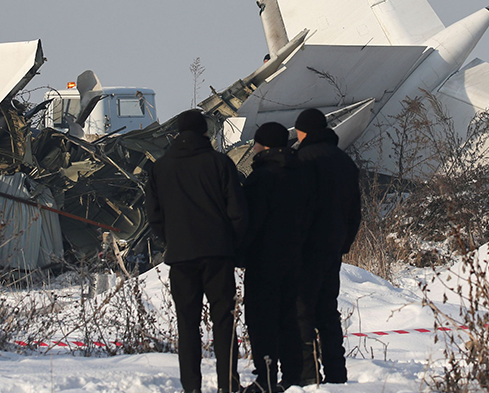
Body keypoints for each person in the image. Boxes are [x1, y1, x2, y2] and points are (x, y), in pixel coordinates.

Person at [145, 109, 248, 393]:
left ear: (178, 132)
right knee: (224, 320)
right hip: (217, 255)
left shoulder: (161, 167)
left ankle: (191, 387)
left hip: (180, 257)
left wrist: (172, 239)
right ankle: (228, 385)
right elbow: (237, 212)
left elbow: (153, 215)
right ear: (204, 131)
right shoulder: (220, 163)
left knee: (187, 325)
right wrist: (234, 247)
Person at [292, 108, 361, 385]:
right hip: (332, 249)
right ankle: (337, 373)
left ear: (303, 131)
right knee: (328, 312)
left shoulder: (301, 161)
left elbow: (297, 209)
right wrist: (343, 243)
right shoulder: (345, 163)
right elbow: (354, 211)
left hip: (306, 249)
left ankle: (308, 375)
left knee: (302, 311)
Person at [240, 122, 309, 392]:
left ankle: (266, 376)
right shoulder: (301, 174)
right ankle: (294, 375)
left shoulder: (261, 178)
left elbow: (252, 220)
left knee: (262, 318)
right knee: (288, 317)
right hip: (295, 256)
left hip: (264, 259)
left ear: (264, 145)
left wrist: (241, 251)